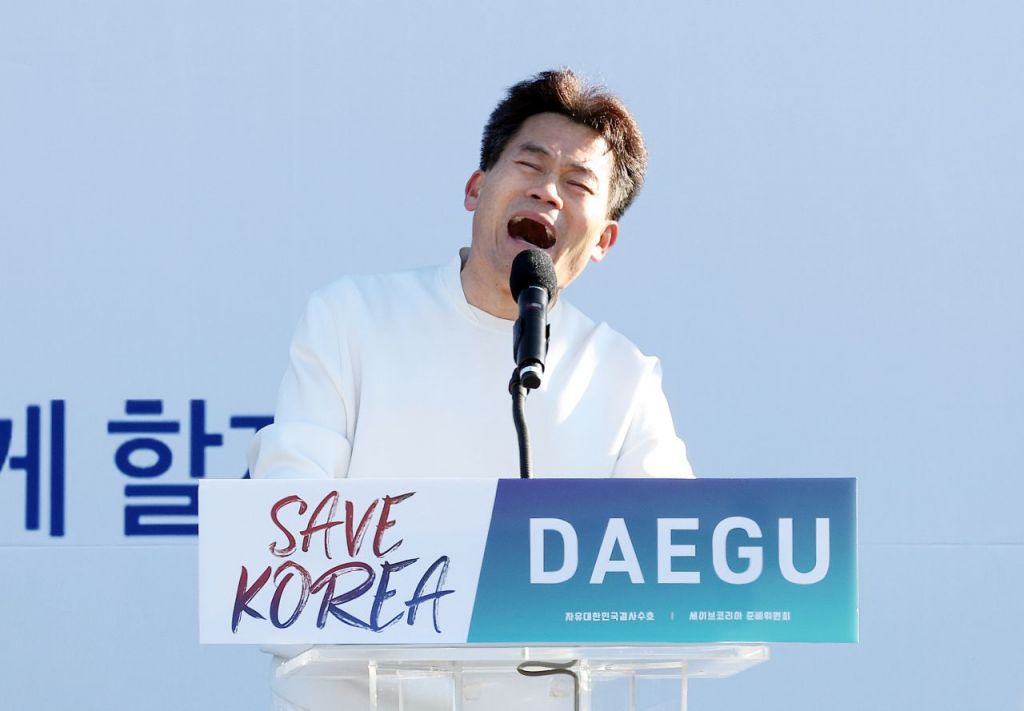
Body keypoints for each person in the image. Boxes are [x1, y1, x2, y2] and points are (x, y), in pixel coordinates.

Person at [249, 68, 693, 710]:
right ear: (476, 188)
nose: (547, 192)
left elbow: (680, 572)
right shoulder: (352, 319)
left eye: (577, 184)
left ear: (604, 240)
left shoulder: (624, 377)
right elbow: (286, 540)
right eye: (530, 165)